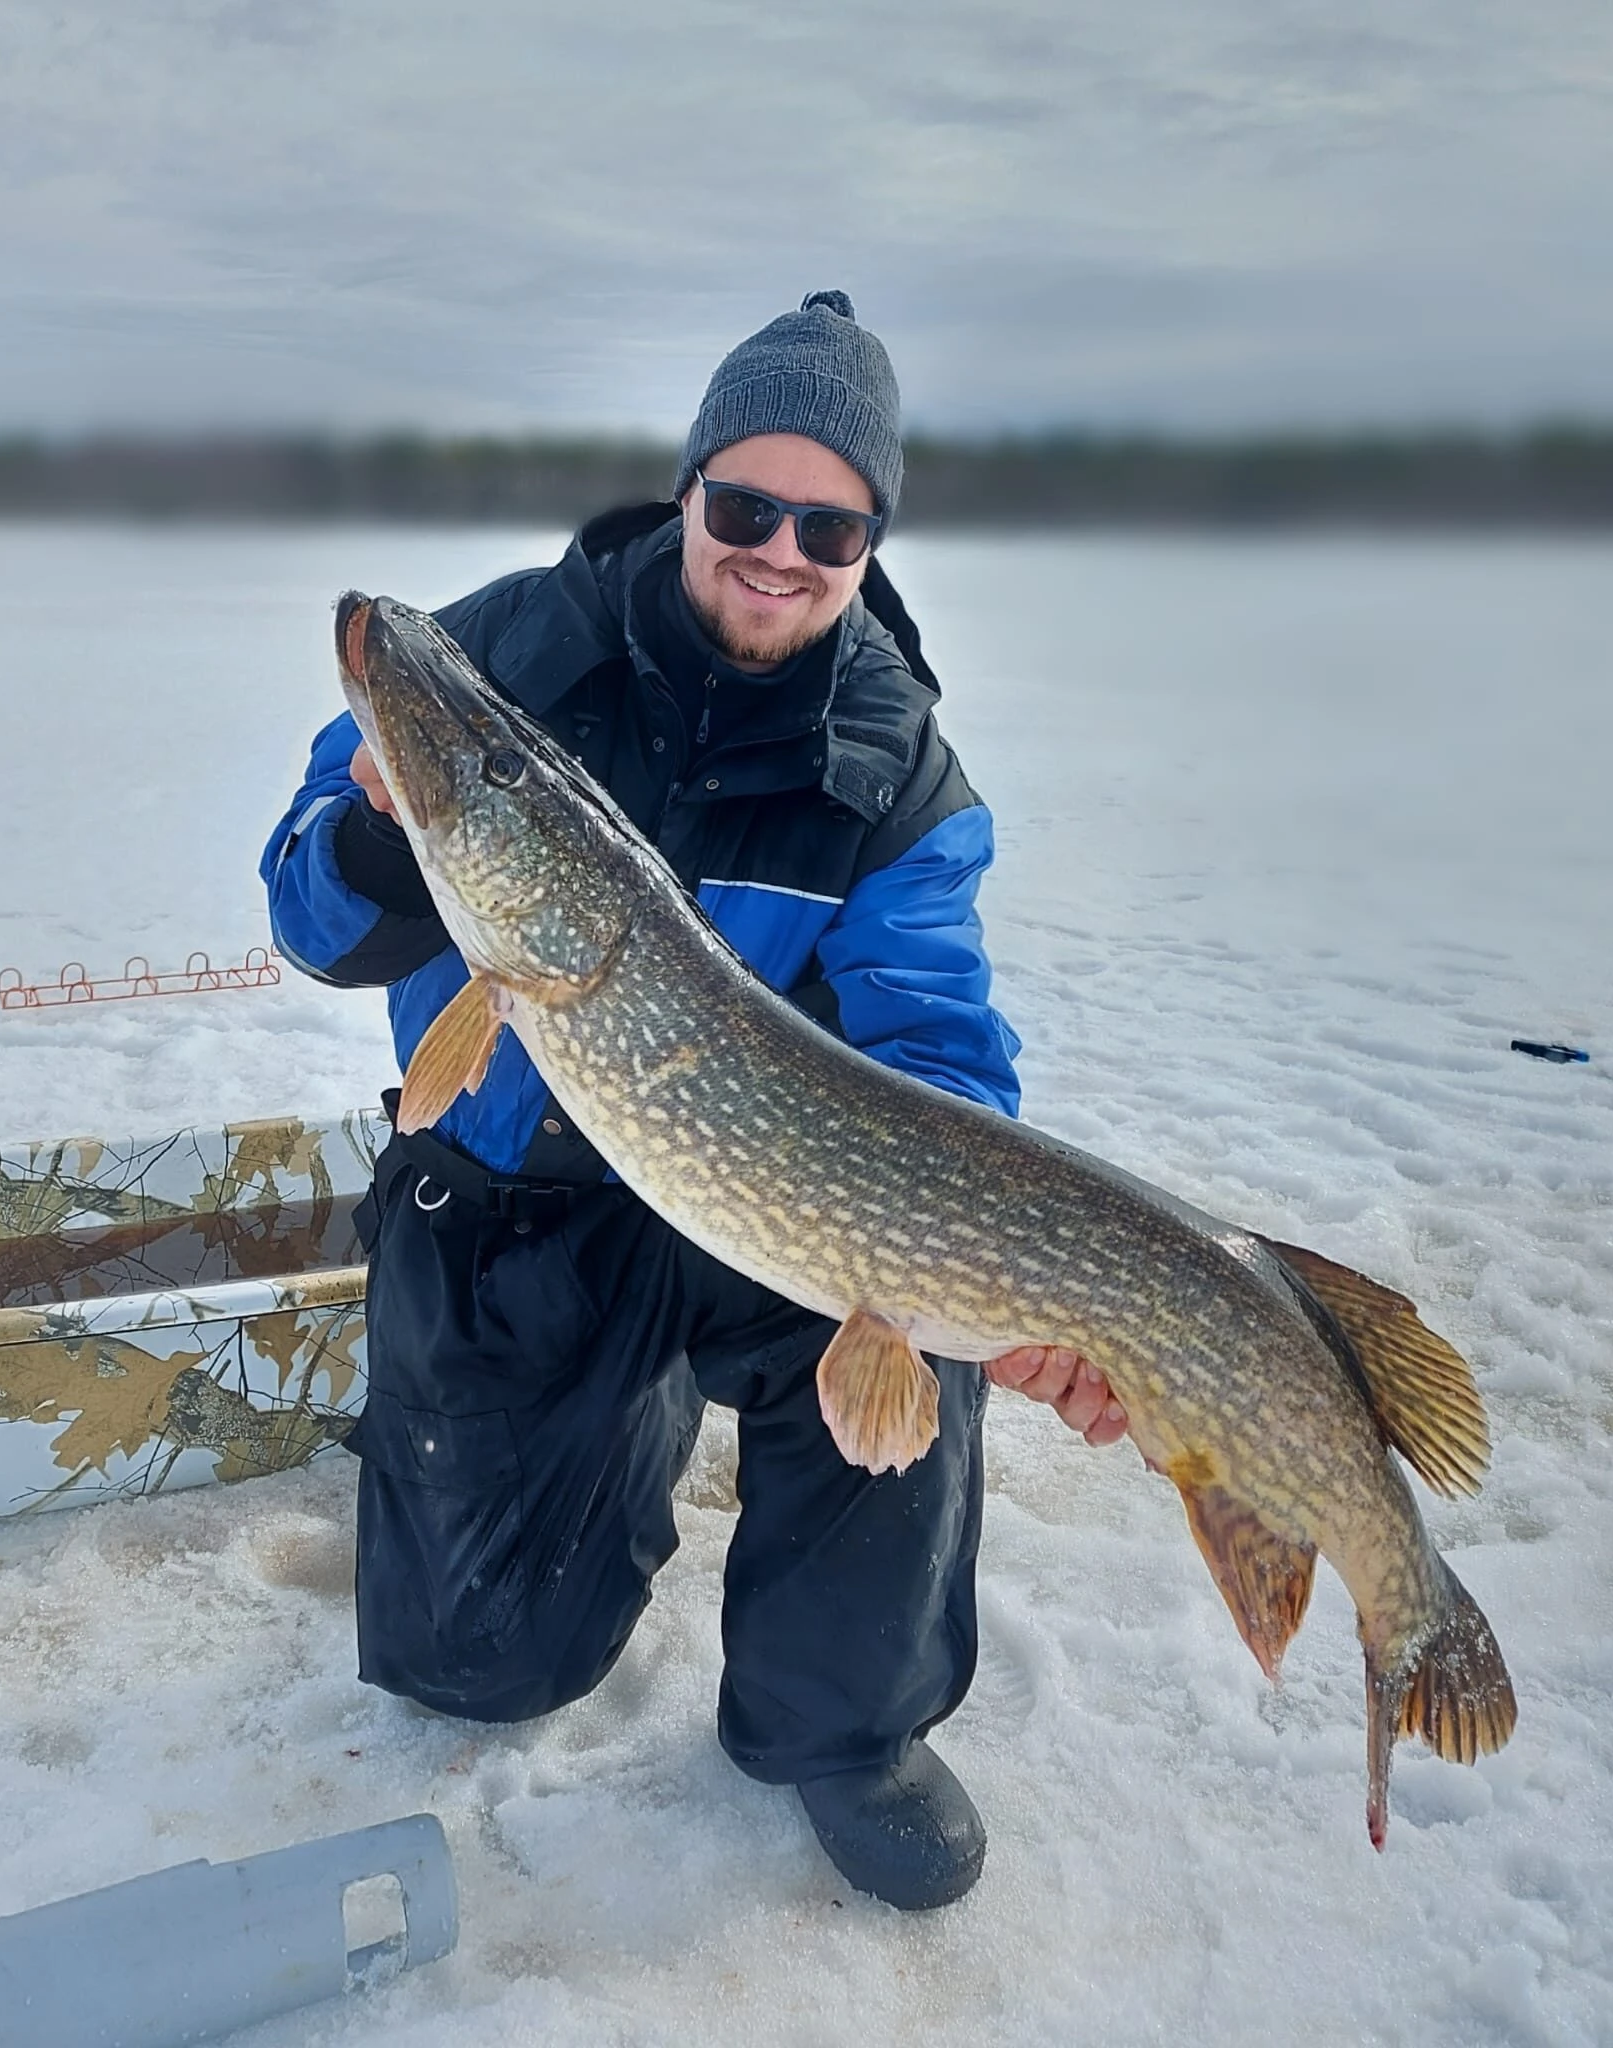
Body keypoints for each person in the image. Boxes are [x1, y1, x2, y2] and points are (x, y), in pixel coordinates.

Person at [261, 291, 1123, 1912]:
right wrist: (388, 834)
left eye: (832, 524)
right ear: (689, 493)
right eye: (746, 507)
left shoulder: (900, 775)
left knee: (921, 1332)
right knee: (475, 1671)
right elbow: (309, 912)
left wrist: (1015, 1281)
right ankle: (615, 1410)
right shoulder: (509, 648)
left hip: (777, 1219)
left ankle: (844, 1727)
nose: (781, 550)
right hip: (521, 1199)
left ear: (868, 545)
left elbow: (941, 1060)